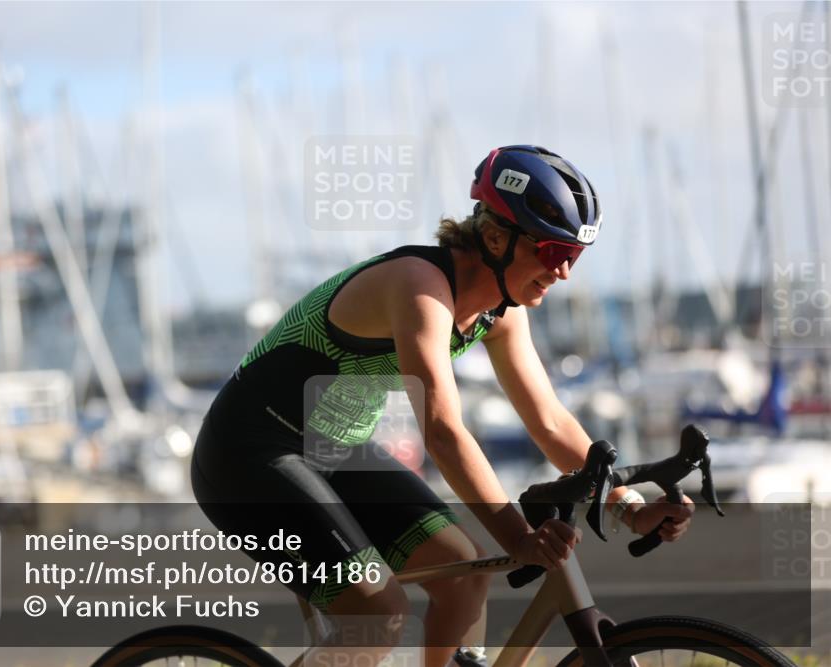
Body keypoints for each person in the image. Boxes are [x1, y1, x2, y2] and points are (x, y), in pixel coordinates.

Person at [191, 145, 695, 667]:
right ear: (495, 238)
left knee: (463, 574)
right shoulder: (420, 287)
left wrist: (629, 508)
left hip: (332, 449)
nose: (564, 271)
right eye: (552, 252)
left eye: (575, 255)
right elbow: (443, 431)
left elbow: (549, 422)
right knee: (378, 616)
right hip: (249, 454)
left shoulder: (501, 312)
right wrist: (519, 538)